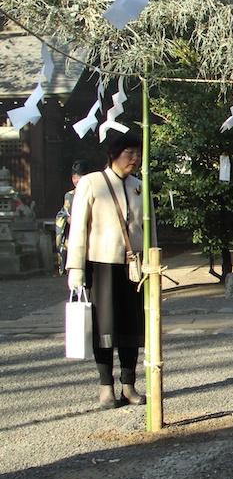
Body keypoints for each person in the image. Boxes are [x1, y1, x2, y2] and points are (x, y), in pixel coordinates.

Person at [65, 132, 153, 410]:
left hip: (133, 267)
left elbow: (150, 229)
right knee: (103, 328)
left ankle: (129, 384)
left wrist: (152, 261)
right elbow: (78, 227)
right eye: (130, 152)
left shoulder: (141, 186)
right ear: (114, 154)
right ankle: (106, 387)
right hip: (100, 264)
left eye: (138, 153)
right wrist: (75, 267)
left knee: (132, 327)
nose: (135, 158)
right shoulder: (92, 183)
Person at [55, 159, 89, 276]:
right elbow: (63, 213)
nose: (76, 181)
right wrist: (67, 219)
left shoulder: (92, 193)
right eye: (74, 178)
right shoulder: (69, 196)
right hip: (72, 235)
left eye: (79, 177)